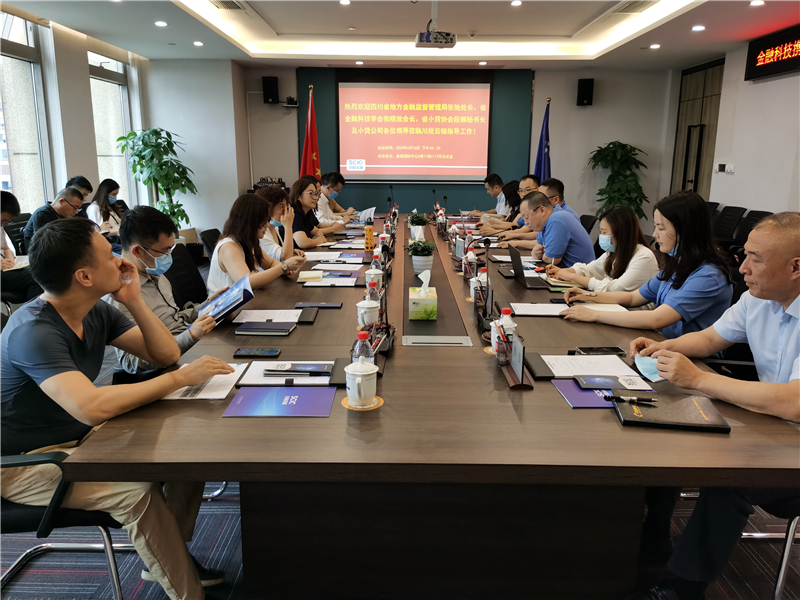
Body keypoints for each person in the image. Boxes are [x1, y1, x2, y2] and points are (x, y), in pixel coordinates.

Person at [0, 218, 235, 599]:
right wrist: (179, 379)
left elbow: (165, 354)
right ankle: (187, 590)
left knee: (188, 454)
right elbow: (91, 407)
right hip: (22, 462)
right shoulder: (34, 331)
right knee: (135, 492)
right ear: (84, 276)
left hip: (78, 439)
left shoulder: (95, 310)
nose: (120, 259)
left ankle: (166, 554)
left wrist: (134, 299)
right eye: (108, 255)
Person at [625, 212, 800, 600]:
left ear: (795, 267)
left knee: (734, 474)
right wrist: (662, 346)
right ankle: (653, 538)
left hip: (791, 441)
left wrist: (699, 380)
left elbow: (795, 403)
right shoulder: (758, 299)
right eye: (745, 255)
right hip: (776, 429)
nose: (743, 267)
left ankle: (684, 589)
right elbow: (708, 339)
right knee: (675, 427)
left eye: (755, 258)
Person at [560, 191, 733, 340]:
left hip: (691, 359)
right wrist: (588, 295)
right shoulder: (677, 264)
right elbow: (632, 297)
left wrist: (594, 314)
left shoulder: (707, 275)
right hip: (663, 345)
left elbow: (656, 319)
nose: (655, 234)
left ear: (685, 230)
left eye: (661, 228)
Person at [107, 206, 227, 376]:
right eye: (164, 251)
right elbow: (131, 362)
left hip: (187, 344)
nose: (169, 256)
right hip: (165, 367)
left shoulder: (155, 273)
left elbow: (174, 318)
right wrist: (189, 337)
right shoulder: (120, 295)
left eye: (171, 248)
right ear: (138, 251)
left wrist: (208, 305)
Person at [207, 193, 306, 296]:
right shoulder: (229, 246)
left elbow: (270, 264)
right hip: (225, 304)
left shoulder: (249, 242)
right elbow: (247, 282)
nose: (267, 225)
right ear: (250, 221)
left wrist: (287, 269)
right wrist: (284, 267)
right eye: (264, 221)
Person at [545, 205, 659, 292]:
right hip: (613, 307)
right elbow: (590, 270)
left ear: (621, 233)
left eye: (604, 232)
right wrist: (563, 272)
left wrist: (572, 276)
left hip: (631, 312)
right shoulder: (614, 252)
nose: (601, 236)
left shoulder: (644, 257)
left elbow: (614, 289)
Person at [522, 191, 594, 268]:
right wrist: (535, 252)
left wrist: (543, 255)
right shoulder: (544, 223)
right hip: (566, 270)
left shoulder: (557, 219)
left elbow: (552, 259)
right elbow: (539, 247)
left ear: (542, 210)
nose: (526, 222)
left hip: (580, 273)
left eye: (526, 217)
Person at [281, 176, 345, 250]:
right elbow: (303, 243)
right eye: (311, 193)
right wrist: (318, 240)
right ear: (298, 196)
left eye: (316, 194)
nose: (315, 198)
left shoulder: (306, 213)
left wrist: (316, 238)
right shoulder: (293, 213)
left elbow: (316, 231)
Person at [1, 191, 42, 300]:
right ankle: (34, 310)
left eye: (6, 222)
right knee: (38, 278)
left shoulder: (0, 226)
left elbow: (5, 248)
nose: (3, 225)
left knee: (44, 269)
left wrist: (10, 259)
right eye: (2, 221)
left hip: (6, 268)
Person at [22, 186, 84, 251]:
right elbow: (42, 244)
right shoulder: (42, 214)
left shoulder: (63, 215)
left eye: (78, 209)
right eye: (75, 207)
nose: (76, 212)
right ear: (61, 201)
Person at [256, 185, 305, 261]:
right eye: (282, 207)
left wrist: (291, 251)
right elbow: (285, 257)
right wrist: (288, 225)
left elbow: (282, 254)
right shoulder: (262, 233)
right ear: (268, 209)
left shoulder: (275, 228)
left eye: (286, 206)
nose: (285, 211)